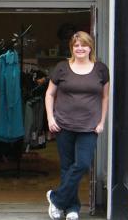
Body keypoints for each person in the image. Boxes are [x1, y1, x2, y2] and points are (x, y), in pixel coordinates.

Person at [45, 31, 110, 220]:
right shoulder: (62, 68)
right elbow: (49, 94)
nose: (80, 48)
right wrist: (50, 118)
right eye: (76, 46)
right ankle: (72, 208)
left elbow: (105, 97)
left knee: (81, 164)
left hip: (89, 127)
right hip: (63, 124)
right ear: (72, 48)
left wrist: (101, 122)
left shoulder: (101, 69)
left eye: (84, 45)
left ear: (90, 47)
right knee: (66, 167)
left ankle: (56, 198)